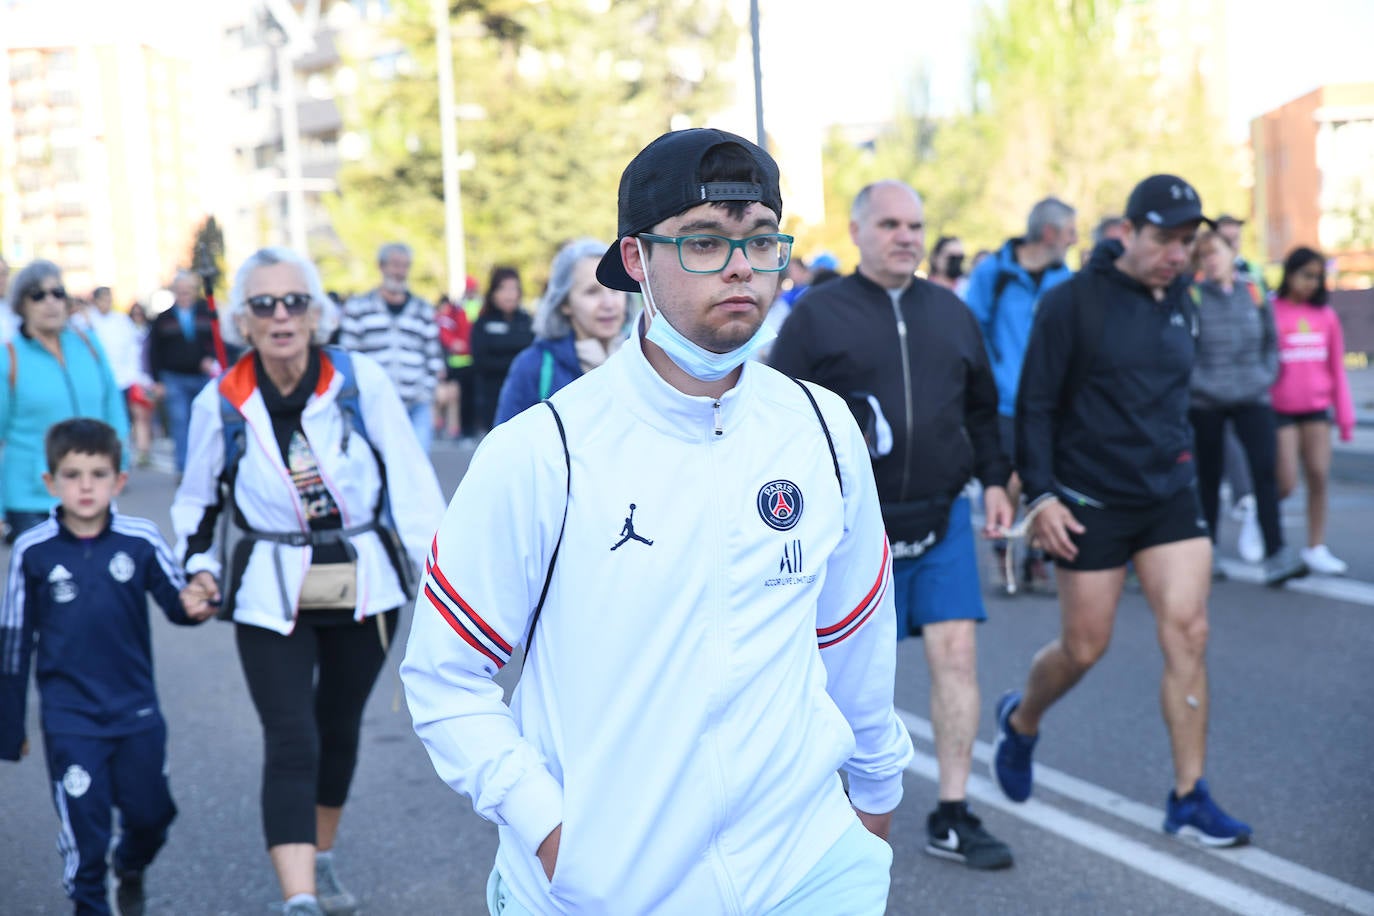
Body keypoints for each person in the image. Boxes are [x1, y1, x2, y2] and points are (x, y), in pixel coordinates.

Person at [401, 128, 913, 915]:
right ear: (635, 260)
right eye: (705, 241)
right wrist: (554, 837)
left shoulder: (821, 426)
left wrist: (873, 800)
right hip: (603, 890)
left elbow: (855, 633)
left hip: (808, 868)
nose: (742, 266)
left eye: (761, 240)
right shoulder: (544, 451)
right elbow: (445, 677)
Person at [173, 247, 443, 916]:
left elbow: (412, 489)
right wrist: (199, 569)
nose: (281, 315)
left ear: (316, 312)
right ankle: (298, 901)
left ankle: (320, 858)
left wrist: (443, 586)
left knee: (339, 726)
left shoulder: (360, 382)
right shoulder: (222, 401)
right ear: (243, 320)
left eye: (294, 301)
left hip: (365, 582)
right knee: (291, 735)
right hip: (271, 589)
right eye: (264, 304)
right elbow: (196, 504)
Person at [994, 174, 1253, 847]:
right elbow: (1037, 404)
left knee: (1189, 630)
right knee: (1085, 647)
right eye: (1165, 238)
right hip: (1088, 501)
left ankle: (1189, 796)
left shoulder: (1183, 301)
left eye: (1187, 241)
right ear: (1129, 232)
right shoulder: (1073, 303)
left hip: (1168, 495)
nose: (1177, 252)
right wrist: (1042, 494)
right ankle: (1022, 721)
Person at [772, 180, 1015, 871]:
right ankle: (822, 809)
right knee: (834, 682)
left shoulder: (953, 314)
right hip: (850, 533)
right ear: (857, 231)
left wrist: (996, 480)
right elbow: (782, 421)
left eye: (915, 224)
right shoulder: (816, 316)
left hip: (941, 518)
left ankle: (953, 811)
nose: (905, 236)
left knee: (956, 659)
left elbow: (982, 408)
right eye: (889, 224)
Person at [0, 418, 214, 915]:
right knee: (84, 831)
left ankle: (132, 865)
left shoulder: (139, 540)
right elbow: (13, 641)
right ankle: (91, 902)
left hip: (136, 711)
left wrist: (197, 604)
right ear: (50, 483)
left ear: (119, 480)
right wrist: (10, 724)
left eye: (98, 474)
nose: (86, 486)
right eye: (72, 475)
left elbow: (176, 601)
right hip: (70, 718)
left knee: (152, 815)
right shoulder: (33, 551)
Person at [964, 197, 1077, 591]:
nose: (1074, 240)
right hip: (1003, 400)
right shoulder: (992, 272)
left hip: (1052, 403)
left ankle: (1035, 558)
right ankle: (1003, 556)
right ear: (1049, 234)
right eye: (1069, 232)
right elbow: (971, 328)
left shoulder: (1066, 278)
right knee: (1004, 480)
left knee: (1043, 479)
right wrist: (987, 380)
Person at [1187, 229, 1304, 584]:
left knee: (1264, 473)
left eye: (1216, 252)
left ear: (1230, 252)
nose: (1211, 259)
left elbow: (1272, 341)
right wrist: (1202, 384)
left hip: (1252, 396)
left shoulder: (1252, 291)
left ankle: (1276, 553)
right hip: (1206, 400)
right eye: (1204, 254)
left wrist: (1264, 375)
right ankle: (1208, 553)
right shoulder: (1192, 296)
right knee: (1208, 477)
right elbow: (1183, 349)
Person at [0, 260, 129, 543]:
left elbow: (113, 409)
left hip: (91, 490)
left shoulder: (88, 345)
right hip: (31, 498)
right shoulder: (8, 357)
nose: (50, 302)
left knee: (95, 581)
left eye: (57, 293)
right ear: (21, 304)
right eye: (38, 295)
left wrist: (121, 463)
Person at [1269, 246, 1355, 575]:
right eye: (1306, 275)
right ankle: (1261, 519)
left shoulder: (1326, 316)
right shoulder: (1272, 310)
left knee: (1319, 475)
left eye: (1318, 277)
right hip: (1280, 409)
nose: (1312, 283)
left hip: (1316, 409)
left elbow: (1337, 368)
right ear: (1290, 273)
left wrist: (1344, 418)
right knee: (1286, 481)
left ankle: (1316, 546)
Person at [493, 238, 630, 425]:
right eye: (592, 291)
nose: (608, 303)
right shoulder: (532, 366)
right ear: (565, 303)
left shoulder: (647, 358)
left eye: (615, 289)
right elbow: (504, 448)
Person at [338, 242, 444, 455]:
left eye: (405, 266)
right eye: (395, 265)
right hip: (373, 407)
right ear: (382, 266)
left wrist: (425, 392)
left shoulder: (423, 309)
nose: (399, 272)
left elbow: (434, 357)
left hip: (416, 406)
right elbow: (347, 356)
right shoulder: (359, 307)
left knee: (416, 468)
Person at [147, 270, 220, 472]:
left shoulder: (208, 313)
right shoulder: (163, 319)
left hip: (203, 377)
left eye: (188, 291)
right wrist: (157, 381)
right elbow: (154, 352)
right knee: (180, 423)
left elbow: (218, 341)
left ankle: (208, 467)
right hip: (174, 379)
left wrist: (211, 358)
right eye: (180, 291)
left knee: (207, 422)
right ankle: (184, 468)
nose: (184, 296)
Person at [85, 286, 156, 467]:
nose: (106, 303)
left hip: (123, 380)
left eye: (109, 299)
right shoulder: (86, 321)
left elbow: (133, 350)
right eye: (103, 299)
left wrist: (136, 377)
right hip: (97, 381)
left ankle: (121, 461)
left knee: (122, 421)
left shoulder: (121, 321)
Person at [469, 267, 534, 435]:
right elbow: (480, 361)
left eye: (513, 288)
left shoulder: (527, 322)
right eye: (503, 288)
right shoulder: (483, 324)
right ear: (493, 292)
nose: (509, 294)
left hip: (526, 399)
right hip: (492, 398)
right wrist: (516, 362)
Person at [434, 293, 472, 440]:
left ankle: (451, 428)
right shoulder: (440, 321)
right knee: (441, 397)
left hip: (451, 364)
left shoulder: (450, 318)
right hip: (443, 364)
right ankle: (438, 424)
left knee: (452, 397)